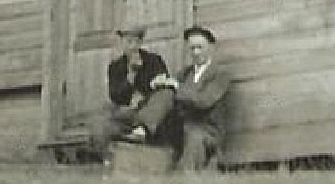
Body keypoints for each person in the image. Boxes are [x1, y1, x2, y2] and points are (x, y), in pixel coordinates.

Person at [89, 24, 178, 156]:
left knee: (166, 95)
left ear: (140, 42)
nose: (132, 46)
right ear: (122, 43)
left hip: (148, 113)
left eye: (135, 42)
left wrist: (150, 86)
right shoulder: (116, 66)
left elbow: (163, 88)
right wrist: (131, 77)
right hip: (126, 115)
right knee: (101, 119)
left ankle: (143, 130)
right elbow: (115, 96)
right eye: (128, 42)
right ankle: (105, 158)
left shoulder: (153, 61)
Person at [154, 25, 231, 171]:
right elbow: (171, 92)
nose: (195, 52)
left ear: (211, 47)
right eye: (192, 48)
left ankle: (183, 175)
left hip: (208, 130)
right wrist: (159, 84)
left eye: (200, 47)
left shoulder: (220, 75)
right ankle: (144, 128)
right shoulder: (185, 73)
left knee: (194, 137)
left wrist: (177, 87)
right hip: (182, 126)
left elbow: (204, 101)